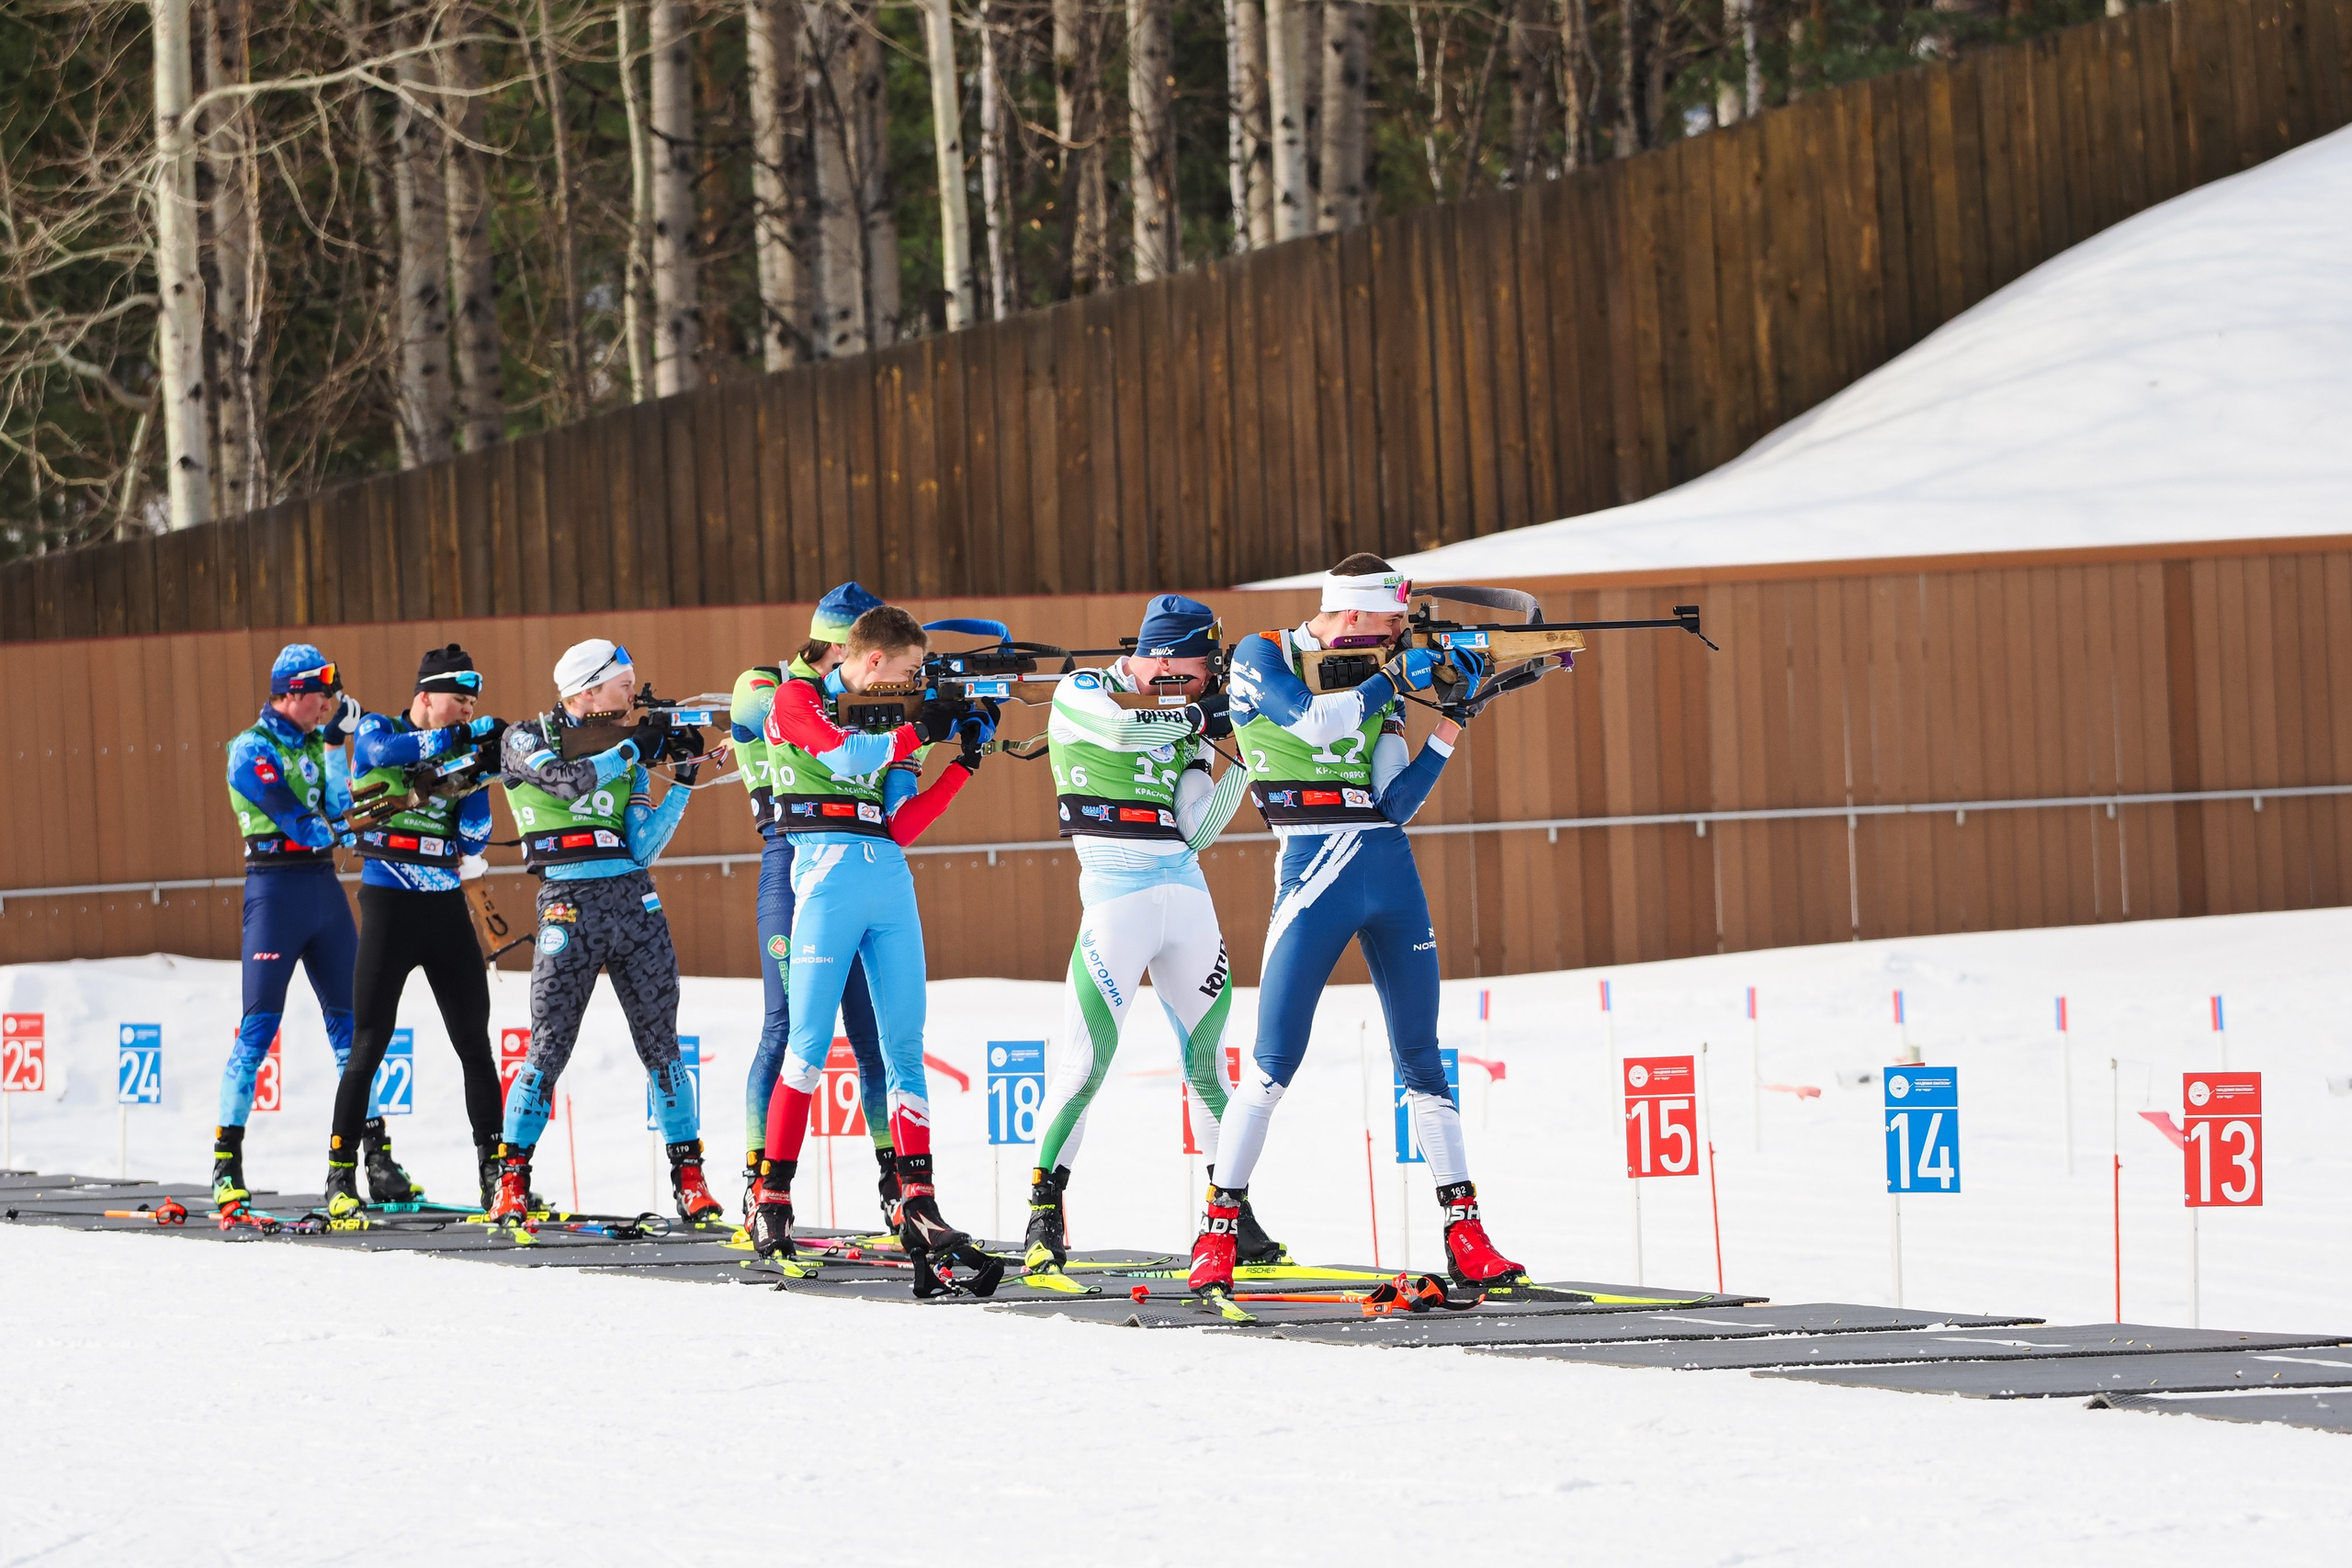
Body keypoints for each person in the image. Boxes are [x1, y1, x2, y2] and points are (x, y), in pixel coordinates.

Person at [1189, 554, 1531, 1312]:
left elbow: (1396, 798)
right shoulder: (1262, 654)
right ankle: (1216, 1230)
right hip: (1314, 869)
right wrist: (1394, 674)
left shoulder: (1381, 672)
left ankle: (1465, 1232)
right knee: (1273, 1062)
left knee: (1423, 1058)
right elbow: (1314, 720)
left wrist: (1450, 719)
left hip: (1389, 868)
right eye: (1389, 621)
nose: (1400, 633)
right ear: (1351, 614)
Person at [745, 604, 1000, 1294]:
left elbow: (904, 820)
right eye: (912, 668)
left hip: (888, 877)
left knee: (904, 1048)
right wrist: (921, 724)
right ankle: (771, 1196)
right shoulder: (795, 697)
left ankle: (918, 1202)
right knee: (806, 1043)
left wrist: (963, 759)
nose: (918, 679)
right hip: (823, 877)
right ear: (877, 661)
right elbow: (845, 754)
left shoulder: (888, 715)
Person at [1023, 594, 1272, 1290]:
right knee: (1086, 1066)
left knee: (1211, 1069)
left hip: (1186, 898)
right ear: (1164, 657)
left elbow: (1197, 827)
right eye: (1202, 665)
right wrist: (1196, 714)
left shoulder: (1187, 720)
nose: (1209, 679)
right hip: (1116, 903)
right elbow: (1120, 734)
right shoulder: (1084, 689)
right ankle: (1044, 1217)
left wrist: (1250, 752)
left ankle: (1234, 1214)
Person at [485, 638, 726, 1229]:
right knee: (549, 1044)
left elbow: (642, 845)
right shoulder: (525, 739)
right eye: (624, 685)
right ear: (587, 689)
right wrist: (630, 750)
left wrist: (684, 779)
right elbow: (565, 782)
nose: (633, 696)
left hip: (634, 903)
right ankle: (511, 1183)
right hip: (567, 905)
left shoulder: (627, 747)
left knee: (662, 1045)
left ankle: (690, 1181)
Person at [322, 644, 508, 1222]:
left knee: (475, 1046)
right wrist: (457, 743)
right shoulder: (382, 727)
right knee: (368, 1044)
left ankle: (495, 1175)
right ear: (425, 697)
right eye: (456, 701)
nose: (464, 711)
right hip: (388, 907)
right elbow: (384, 751)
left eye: (470, 704)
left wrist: (474, 778)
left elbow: (475, 838)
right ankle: (340, 1174)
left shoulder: (459, 746)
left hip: (443, 907)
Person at [730, 583, 892, 1228]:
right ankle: (758, 1179)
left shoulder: (867, 694)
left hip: (854, 861)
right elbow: (768, 708)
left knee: (870, 1038)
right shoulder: (767, 683)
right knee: (788, 1029)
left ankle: (894, 1184)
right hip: (788, 863)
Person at [214, 644, 361, 1213]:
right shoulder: (249, 748)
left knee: (355, 1034)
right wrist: (340, 824)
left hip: (322, 891)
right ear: (293, 692)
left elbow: (340, 807)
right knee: (257, 1031)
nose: (329, 704)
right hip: (275, 891)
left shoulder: (311, 742)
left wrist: (335, 747)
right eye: (322, 695)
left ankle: (361, 1161)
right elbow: (301, 822)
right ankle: (227, 1164)